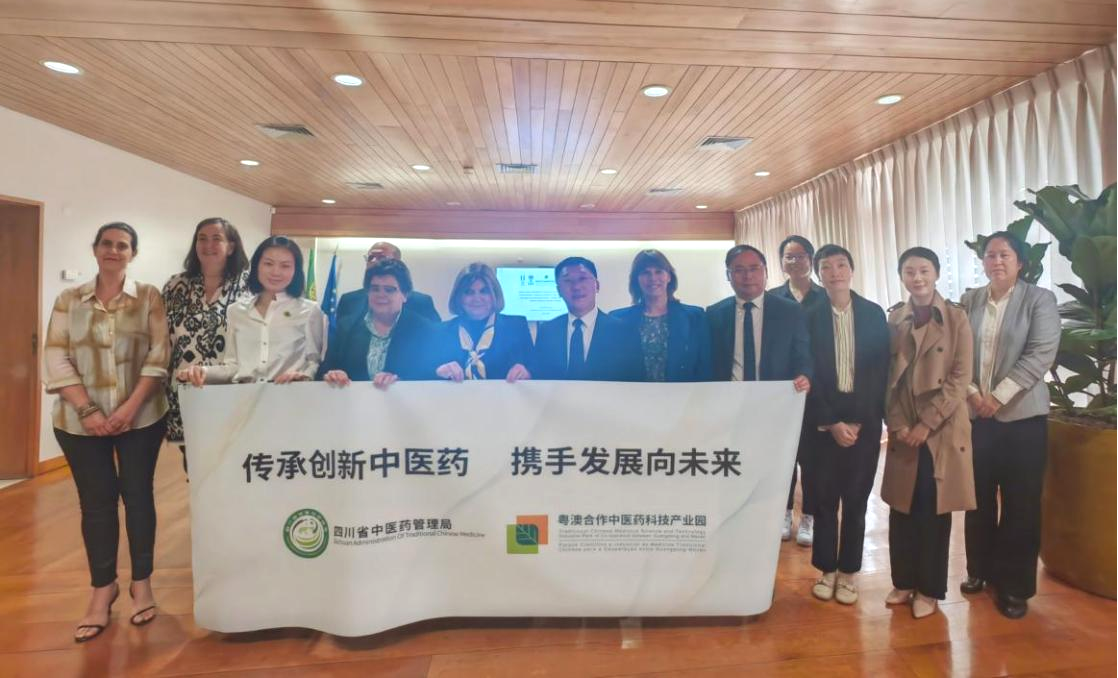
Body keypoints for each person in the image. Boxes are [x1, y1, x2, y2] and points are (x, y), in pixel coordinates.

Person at [43, 222, 170, 642]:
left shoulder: (148, 296)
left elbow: (158, 354)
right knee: (96, 505)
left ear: (133, 253)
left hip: (141, 417)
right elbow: (56, 356)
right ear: (95, 249)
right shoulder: (69, 299)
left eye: (123, 246)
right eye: (107, 244)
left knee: (138, 499)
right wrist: (89, 409)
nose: (114, 251)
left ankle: (142, 585)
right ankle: (102, 590)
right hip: (79, 423)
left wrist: (130, 408)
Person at [959, 231, 1060, 619]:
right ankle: (979, 570)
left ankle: (1015, 586)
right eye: (990, 255)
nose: (997, 261)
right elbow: (956, 354)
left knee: (1021, 504)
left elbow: (1040, 354)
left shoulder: (1039, 300)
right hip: (976, 417)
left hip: (1023, 421)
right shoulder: (970, 300)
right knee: (977, 500)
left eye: (1005, 255)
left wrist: (997, 397)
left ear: (1020, 262)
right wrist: (973, 394)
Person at [882, 247, 975, 619]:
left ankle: (930, 589)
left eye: (924, 270)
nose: (917, 278)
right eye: (909, 271)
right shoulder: (894, 318)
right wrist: (898, 423)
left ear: (936, 273)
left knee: (933, 510)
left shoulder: (956, 317)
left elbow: (960, 377)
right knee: (901, 507)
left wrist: (927, 423)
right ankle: (903, 581)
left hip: (941, 428)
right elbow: (887, 376)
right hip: (904, 427)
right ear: (902, 276)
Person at [805, 245, 890, 605]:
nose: (835, 272)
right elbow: (806, 372)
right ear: (818, 274)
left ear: (851, 270)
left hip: (863, 422)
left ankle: (849, 573)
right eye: (826, 267)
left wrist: (856, 421)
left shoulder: (872, 314)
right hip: (822, 424)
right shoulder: (808, 315)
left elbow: (880, 371)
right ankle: (826, 570)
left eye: (841, 265)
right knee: (824, 501)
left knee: (856, 501)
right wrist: (831, 422)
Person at [176, 236, 325, 386]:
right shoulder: (236, 311)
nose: (276, 272)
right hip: (243, 396)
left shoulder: (309, 311)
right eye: (268, 264)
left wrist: (303, 376)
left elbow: (315, 362)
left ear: (296, 270)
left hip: (289, 395)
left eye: (285, 266)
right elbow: (233, 367)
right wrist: (203, 371)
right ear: (257, 265)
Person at [161, 217, 250, 469]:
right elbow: (161, 338)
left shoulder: (249, 287)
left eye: (216, 239)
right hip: (185, 392)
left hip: (232, 393)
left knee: (232, 467)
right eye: (202, 239)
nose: (208, 245)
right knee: (196, 470)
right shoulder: (176, 285)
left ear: (231, 246)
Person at [770, 235, 828, 545]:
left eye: (801, 255)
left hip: (817, 391)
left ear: (811, 260)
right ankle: (783, 512)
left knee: (814, 459)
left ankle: (809, 517)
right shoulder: (771, 298)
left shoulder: (826, 296)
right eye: (789, 256)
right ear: (781, 262)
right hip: (782, 392)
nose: (795, 261)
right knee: (783, 458)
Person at [319, 258, 435, 387]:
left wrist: (400, 382)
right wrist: (334, 374)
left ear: (405, 295)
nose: (381, 294)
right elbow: (324, 371)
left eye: (389, 290)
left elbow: (430, 375)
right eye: (375, 289)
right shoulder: (346, 327)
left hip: (406, 399)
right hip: (354, 399)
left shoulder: (423, 330)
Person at [529, 256, 643, 381]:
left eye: (582, 279)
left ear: (597, 285)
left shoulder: (623, 332)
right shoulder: (547, 331)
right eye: (568, 281)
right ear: (558, 291)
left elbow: (636, 381)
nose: (576, 287)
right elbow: (539, 376)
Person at [610, 249, 712, 382]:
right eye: (645, 272)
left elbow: (705, 367)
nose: (652, 278)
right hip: (633, 393)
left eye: (658, 271)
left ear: (669, 277)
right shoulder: (618, 319)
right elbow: (613, 368)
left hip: (682, 393)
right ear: (637, 279)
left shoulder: (694, 317)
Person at [429, 262, 533, 382]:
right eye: (469, 292)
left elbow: (537, 368)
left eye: (484, 291)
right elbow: (423, 373)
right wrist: (438, 371)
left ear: (495, 295)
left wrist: (527, 372)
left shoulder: (516, 327)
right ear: (459, 297)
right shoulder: (440, 332)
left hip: (505, 395)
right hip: (454, 395)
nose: (477, 298)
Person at [335, 241, 440, 323]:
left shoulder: (421, 303)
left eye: (381, 257)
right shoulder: (349, 301)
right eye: (371, 257)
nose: (374, 262)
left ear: (397, 263)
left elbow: (435, 337)